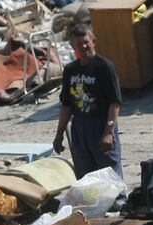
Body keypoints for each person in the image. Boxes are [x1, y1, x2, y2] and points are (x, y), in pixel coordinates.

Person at [54, 24, 123, 180]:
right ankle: (91, 204)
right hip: (79, 127)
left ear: (93, 41)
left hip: (101, 124)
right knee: (85, 175)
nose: (84, 46)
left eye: (86, 41)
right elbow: (66, 105)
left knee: (110, 173)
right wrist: (59, 135)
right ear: (73, 47)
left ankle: (118, 204)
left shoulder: (105, 67)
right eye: (79, 44)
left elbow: (115, 104)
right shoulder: (70, 70)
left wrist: (108, 132)